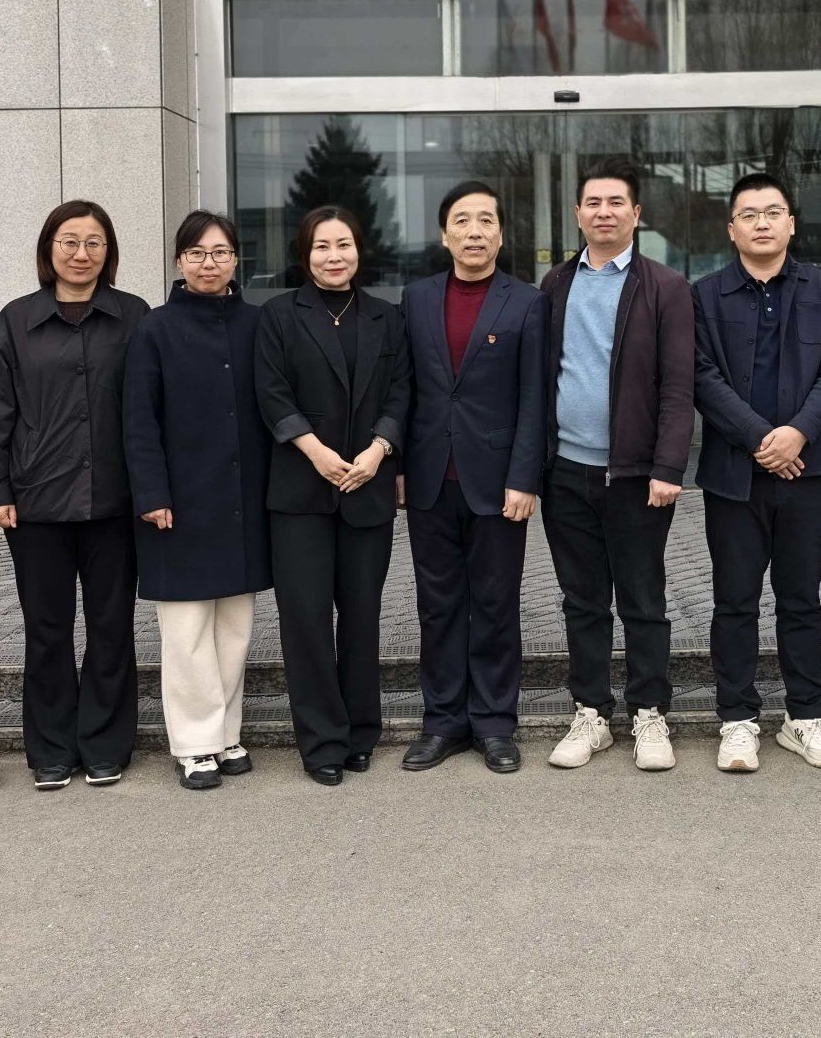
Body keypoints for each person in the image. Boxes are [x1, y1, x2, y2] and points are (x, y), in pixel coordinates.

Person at [0, 201, 148, 790]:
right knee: (46, 629)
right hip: (36, 503)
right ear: (49, 249)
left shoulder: (133, 316)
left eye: (94, 242)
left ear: (109, 252)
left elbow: (151, 407)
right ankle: (50, 748)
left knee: (111, 625)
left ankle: (105, 744)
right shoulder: (16, 321)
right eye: (69, 241)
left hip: (116, 501)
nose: (81, 253)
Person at [691, 172, 821, 773]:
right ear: (731, 228)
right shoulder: (704, 295)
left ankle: (805, 716)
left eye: (772, 212)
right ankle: (737, 719)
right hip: (734, 474)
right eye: (749, 214)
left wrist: (797, 433)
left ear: (791, 223)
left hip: (807, 470)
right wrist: (762, 437)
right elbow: (701, 375)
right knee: (734, 600)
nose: (761, 223)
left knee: (802, 599)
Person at [540, 159, 695, 773]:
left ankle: (650, 712)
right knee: (581, 600)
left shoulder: (665, 286)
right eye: (593, 202)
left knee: (642, 598)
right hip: (565, 471)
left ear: (636, 213)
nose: (603, 212)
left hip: (635, 477)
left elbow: (678, 388)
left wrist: (668, 466)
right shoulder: (555, 283)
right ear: (578, 214)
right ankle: (591, 713)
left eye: (615, 202)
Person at [255, 205, 411, 787]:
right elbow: (271, 392)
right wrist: (316, 452)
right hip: (301, 491)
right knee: (306, 620)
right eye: (322, 246)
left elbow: (403, 391)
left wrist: (379, 451)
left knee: (363, 616)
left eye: (343, 244)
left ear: (359, 251)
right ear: (306, 254)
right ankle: (321, 740)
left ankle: (361, 732)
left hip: (367, 487)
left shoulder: (386, 317)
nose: (334, 256)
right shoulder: (277, 315)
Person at [398, 182, 547, 776]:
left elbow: (535, 397)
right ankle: (442, 722)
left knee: (494, 604)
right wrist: (400, 467)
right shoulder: (416, 298)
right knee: (436, 607)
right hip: (430, 478)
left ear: (501, 234)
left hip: (498, 481)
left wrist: (525, 477)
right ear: (445, 235)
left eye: (486, 220)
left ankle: (493, 724)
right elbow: (405, 390)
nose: (475, 230)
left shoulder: (527, 301)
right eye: (462, 220)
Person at [124, 211, 272, 791]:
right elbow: (139, 420)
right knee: (186, 631)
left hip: (244, 498)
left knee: (235, 627)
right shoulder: (154, 329)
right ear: (179, 260)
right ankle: (193, 744)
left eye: (220, 253)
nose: (209, 264)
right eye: (197, 253)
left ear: (236, 259)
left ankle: (227, 734)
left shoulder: (258, 324)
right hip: (179, 501)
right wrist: (151, 493)